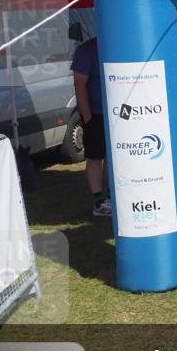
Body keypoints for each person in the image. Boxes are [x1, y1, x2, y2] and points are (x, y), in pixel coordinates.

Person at [71, 37, 111, 217]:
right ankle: (99, 202)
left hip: (119, 113)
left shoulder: (119, 43)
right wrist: (87, 116)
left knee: (114, 156)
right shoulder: (87, 50)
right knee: (95, 157)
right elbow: (79, 84)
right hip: (95, 114)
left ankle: (113, 196)